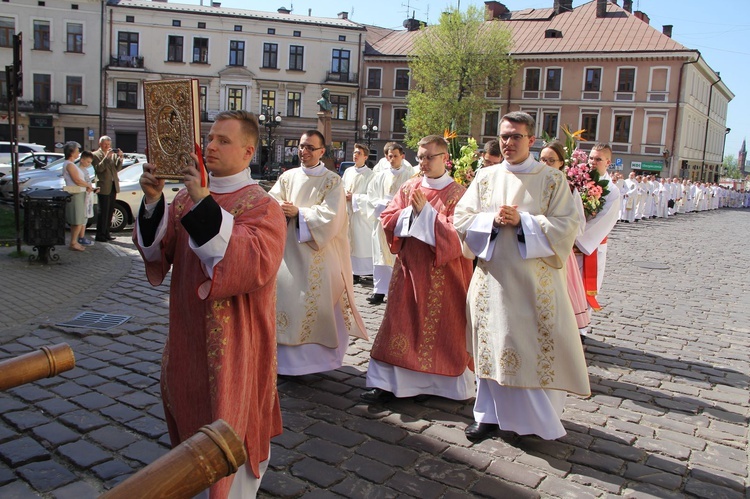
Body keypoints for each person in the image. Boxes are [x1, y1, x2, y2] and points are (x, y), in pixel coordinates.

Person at [134, 110, 286, 498]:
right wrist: (153, 203)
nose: (211, 147)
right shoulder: (185, 197)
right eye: (211, 138)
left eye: (223, 141)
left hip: (236, 344)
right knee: (188, 421)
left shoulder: (261, 205)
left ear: (248, 151)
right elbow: (158, 252)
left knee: (229, 423)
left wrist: (203, 201)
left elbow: (250, 265)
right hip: (187, 335)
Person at [454, 112, 589, 442]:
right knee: (490, 346)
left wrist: (524, 222)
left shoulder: (552, 180)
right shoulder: (485, 177)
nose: (508, 143)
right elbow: (461, 218)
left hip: (534, 286)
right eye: (503, 136)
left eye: (516, 136)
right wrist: (493, 222)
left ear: (531, 140)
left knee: (526, 348)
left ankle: (533, 421)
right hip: (491, 280)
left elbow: (567, 227)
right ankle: (486, 415)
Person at [361, 135, 474, 403]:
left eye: (429, 157)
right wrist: (411, 214)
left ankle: (440, 386)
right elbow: (388, 217)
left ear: (444, 158)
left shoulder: (459, 194)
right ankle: (387, 382)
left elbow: (461, 236)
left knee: (442, 328)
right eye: (420, 157)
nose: (422, 162)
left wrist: (426, 215)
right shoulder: (409, 187)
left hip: (443, 277)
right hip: (409, 271)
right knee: (399, 323)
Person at [269, 130, 368, 376]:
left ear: (322, 151)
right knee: (285, 302)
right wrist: (278, 207)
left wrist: (299, 214)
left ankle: (313, 363)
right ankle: (284, 363)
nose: (304, 152)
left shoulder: (332, 181)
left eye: (310, 148)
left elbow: (331, 217)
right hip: (288, 253)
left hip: (318, 255)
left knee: (313, 303)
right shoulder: (287, 177)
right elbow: (271, 202)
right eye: (301, 146)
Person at [539, 141, 590, 337]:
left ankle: (562, 332)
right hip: (533, 244)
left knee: (560, 292)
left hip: (558, 247)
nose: (546, 164)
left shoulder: (569, 188)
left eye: (551, 160)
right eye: (543, 159)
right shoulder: (533, 182)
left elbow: (577, 222)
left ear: (561, 163)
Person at [574, 143, 621, 318]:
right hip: (569, 242)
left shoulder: (612, 191)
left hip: (589, 245)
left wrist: (578, 240)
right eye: (591, 158)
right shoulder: (579, 181)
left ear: (608, 162)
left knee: (586, 286)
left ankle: (582, 330)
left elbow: (606, 220)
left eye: (598, 159)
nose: (593, 162)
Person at [366, 143, 415, 305]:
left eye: (395, 155)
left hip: (401, 222)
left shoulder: (411, 176)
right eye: (389, 156)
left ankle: (398, 291)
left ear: (403, 156)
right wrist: (382, 204)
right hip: (382, 222)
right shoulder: (379, 176)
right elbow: (370, 197)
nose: (392, 159)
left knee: (398, 257)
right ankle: (379, 291)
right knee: (380, 256)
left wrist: (398, 208)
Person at [342, 143, 376, 281]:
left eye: (359, 153)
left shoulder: (371, 175)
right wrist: (343, 194)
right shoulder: (348, 171)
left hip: (360, 214)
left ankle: (365, 271)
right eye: (355, 153)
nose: (355, 155)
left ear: (365, 157)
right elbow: (342, 186)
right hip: (347, 212)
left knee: (360, 242)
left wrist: (354, 198)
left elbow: (372, 197)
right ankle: (351, 272)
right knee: (348, 241)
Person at [62, 142, 95, 251]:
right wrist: (88, 185)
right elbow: (77, 180)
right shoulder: (70, 165)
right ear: (72, 152)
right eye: (77, 151)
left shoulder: (70, 164)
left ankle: (74, 241)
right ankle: (73, 242)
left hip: (79, 193)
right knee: (77, 220)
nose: (79, 153)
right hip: (76, 194)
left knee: (78, 220)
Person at [92, 135, 124, 242]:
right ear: (100, 144)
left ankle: (106, 233)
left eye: (109, 144)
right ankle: (100, 234)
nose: (107, 146)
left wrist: (120, 158)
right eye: (105, 144)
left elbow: (117, 168)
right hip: (103, 186)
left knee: (110, 211)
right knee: (103, 211)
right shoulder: (95, 155)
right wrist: (106, 158)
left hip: (113, 186)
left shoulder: (113, 155)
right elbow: (99, 169)